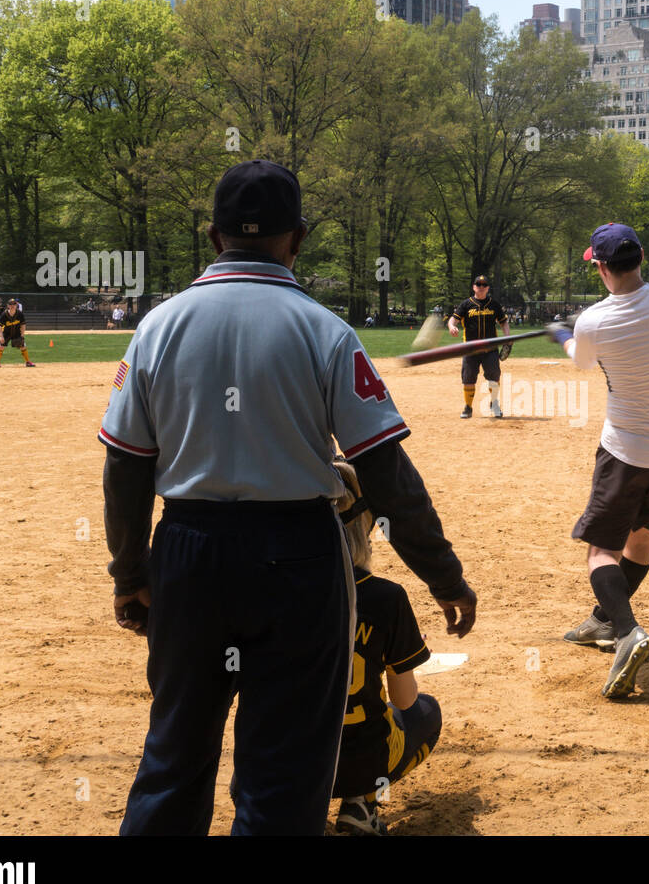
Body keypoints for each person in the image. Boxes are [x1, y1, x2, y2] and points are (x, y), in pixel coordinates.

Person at [98, 159, 476, 836]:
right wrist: (443, 574)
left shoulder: (157, 327)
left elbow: (125, 468)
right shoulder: (325, 331)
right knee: (283, 780)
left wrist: (131, 575)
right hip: (299, 558)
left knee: (174, 757)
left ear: (214, 238)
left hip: (188, 551)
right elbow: (386, 475)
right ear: (297, 239)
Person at [550, 223, 649, 700]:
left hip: (628, 452)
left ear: (599, 267)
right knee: (641, 538)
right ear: (640, 257)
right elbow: (645, 302)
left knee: (601, 550)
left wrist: (561, 334)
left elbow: (580, 359)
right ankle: (603, 621)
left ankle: (627, 632)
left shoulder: (593, 323)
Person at [326, 460, 441, 836]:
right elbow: (406, 701)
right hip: (363, 758)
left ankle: (294, 803)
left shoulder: (278, 590)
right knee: (426, 712)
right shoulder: (387, 597)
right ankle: (363, 802)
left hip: (293, 758)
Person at [447, 275, 510, 419]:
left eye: (484, 284)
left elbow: (504, 322)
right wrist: (451, 326)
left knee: (494, 377)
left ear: (487, 288)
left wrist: (507, 338)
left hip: (490, 349)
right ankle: (468, 407)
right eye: (478, 284)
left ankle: (494, 404)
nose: (481, 287)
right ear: (474, 287)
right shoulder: (466, 304)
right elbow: (453, 319)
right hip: (470, 350)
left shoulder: (494, 304)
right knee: (468, 379)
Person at [0, 298, 35, 368]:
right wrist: (1, 336)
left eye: (14, 304)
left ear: (16, 305)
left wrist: (22, 335)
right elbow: (0, 326)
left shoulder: (19, 314)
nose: (12, 305)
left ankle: (28, 362)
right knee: (1, 346)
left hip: (16, 332)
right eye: (10, 304)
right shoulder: (4, 314)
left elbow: (23, 325)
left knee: (23, 346)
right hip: (6, 333)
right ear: (8, 305)